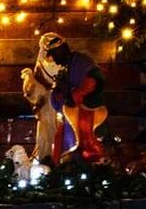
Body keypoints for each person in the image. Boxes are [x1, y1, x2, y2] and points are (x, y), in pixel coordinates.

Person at [35, 33, 106, 161]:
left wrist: (76, 95)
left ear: (61, 51)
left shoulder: (80, 62)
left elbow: (94, 79)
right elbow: (63, 92)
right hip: (69, 114)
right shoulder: (66, 67)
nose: (54, 60)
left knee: (85, 137)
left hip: (86, 112)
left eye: (54, 55)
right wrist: (58, 92)